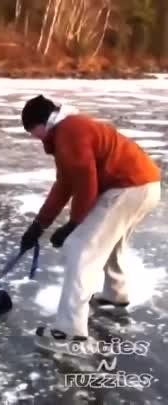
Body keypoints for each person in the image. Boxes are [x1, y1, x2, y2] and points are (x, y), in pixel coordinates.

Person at [19, 95, 161, 352]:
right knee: (108, 241)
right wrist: (39, 225)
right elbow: (64, 185)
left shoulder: (69, 133)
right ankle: (114, 294)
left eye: (30, 130)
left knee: (81, 249)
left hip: (128, 187)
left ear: (41, 123)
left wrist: (72, 226)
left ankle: (69, 333)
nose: (32, 137)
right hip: (145, 185)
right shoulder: (69, 130)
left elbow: (86, 184)